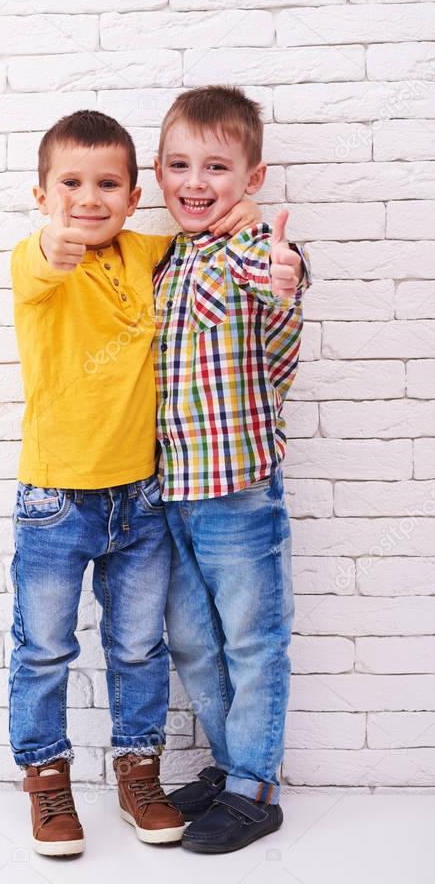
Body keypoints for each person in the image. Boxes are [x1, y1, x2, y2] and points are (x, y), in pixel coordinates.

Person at [8, 109, 260, 856]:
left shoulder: (145, 250)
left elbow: (199, 239)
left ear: (132, 192)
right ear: (41, 193)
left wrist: (241, 212)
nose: (89, 199)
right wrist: (55, 238)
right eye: (71, 185)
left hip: (141, 497)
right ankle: (46, 776)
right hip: (55, 497)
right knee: (44, 648)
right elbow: (47, 253)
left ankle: (137, 769)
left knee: (139, 648)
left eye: (107, 184)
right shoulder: (37, 260)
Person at [152, 86, 311, 854]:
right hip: (168, 490)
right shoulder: (167, 261)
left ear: (250, 179)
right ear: (157, 172)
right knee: (191, 641)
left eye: (215, 165)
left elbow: (278, 273)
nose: (195, 179)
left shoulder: (250, 247)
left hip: (236, 488)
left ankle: (254, 783)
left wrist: (286, 269)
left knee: (251, 638)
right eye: (179, 163)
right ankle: (225, 764)